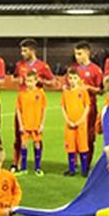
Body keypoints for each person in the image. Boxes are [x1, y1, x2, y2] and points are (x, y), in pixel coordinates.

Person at [12, 39, 55, 171]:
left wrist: (41, 81)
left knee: (37, 137)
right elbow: (14, 78)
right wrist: (18, 80)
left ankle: (37, 165)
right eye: (22, 50)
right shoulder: (20, 65)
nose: (22, 53)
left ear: (32, 51)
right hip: (23, 102)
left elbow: (53, 82)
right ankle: (17, 163)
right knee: (19, 134)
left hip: (36, 104)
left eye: (25, 51)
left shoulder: (43, 66)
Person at [15, 70, 47, 175]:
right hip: (25, 124)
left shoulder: (40, 94)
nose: (29, 83)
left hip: (36, 125)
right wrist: (20, 124)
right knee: (24, 145)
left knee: (37, 144)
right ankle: (24, 168)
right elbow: (18, 110)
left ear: (36, 81)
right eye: (27, 81)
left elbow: (44, 109)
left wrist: (42, 124)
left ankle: (37, 168)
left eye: (31, 81)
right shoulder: (21, 94)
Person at [61, 71, 92, 177]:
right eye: (70, 78)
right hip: (69, 125)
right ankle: (72, 169)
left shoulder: (83, 91)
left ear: (78, 79)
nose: (72, 80)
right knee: (70, 147)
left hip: (81, 125)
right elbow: (63, 107)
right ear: (67, 79)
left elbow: (87, 106)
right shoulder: (65, 93)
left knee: (82, 147)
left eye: (75, 78)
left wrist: (81, 120)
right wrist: (68, 120)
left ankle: (84, 170)